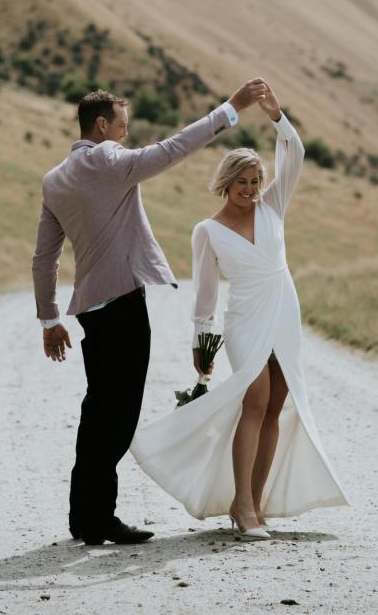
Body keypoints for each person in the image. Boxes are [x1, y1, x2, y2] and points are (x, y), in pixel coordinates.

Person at [32, 79, 269, 545]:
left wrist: (49, 319)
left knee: (97, 410)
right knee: (118, 415)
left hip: (91, 311)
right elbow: (171, 149)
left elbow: (44, 257)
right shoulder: (106, 159)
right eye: (121, 124)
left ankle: (85, 517)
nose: (126, 132)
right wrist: (230, 109)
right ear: (101, 125)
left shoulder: (55, 178)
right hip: (122, 303)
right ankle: (100, 519)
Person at [129, 81, 349, 540]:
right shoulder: (206, 231)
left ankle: (255, 500)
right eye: (241, 183)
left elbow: (297, 155)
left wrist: (276, 115)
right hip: (245, 317)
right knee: (254, 400)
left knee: (277, 406)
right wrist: (201, 340)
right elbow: (205, 294)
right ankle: (241, 505)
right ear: (225, 185)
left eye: (255, 182)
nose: (250, 190)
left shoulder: (274, 207)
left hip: (284, 309)